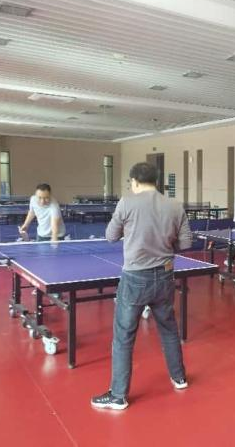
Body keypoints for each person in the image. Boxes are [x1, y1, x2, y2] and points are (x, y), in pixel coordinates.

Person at [91, 162, 192, 410]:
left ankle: (118, 396)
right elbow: (186, 243)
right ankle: (179, 378)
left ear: (134, 181)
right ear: (156, 181)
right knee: (168, 329)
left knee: (123, 336)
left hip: (135, 277)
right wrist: (165, 246)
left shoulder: (126, 203)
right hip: (165, 276)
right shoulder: (175, 205)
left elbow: (110, 236)